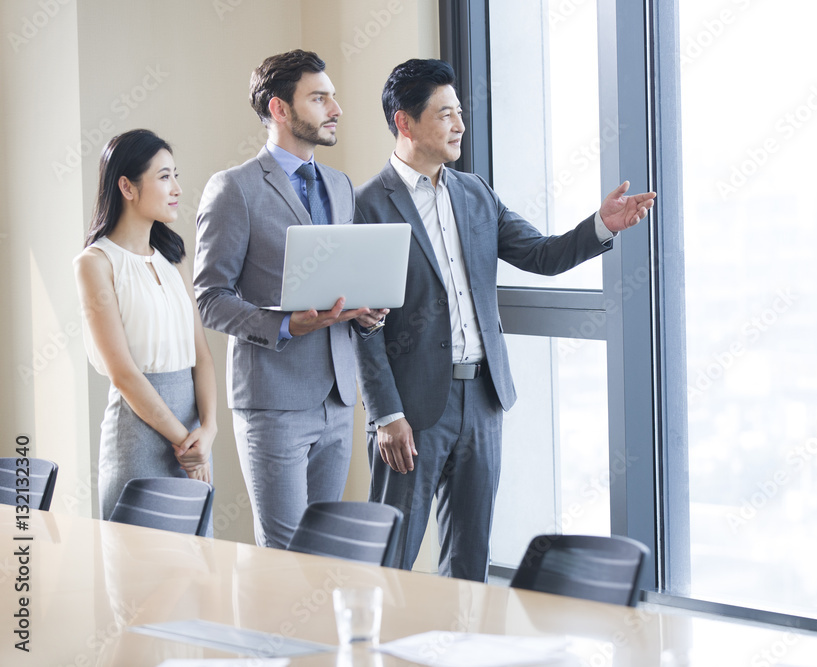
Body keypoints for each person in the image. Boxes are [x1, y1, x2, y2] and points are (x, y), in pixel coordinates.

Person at [353, 58, 656, 581]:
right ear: (405, 122)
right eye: (445, 113)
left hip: (483, 401)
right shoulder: (366, 206)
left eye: (460, 113)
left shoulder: (475, 193)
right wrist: (386, 415)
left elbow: (541, 254)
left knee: (470, 559)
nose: (460, 125)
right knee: (392, 564)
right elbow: (360, 326)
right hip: (411, 410)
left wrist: (600, 227)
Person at [194, 50, 386, 549]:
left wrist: (366, 313)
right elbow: (210, 298)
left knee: (326, 555)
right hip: (274, 401)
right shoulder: (232, 189)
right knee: (283, 555)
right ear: (280, 109)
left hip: (339, 398)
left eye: (333, 97)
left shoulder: (341, 185)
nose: (336, 109)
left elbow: (342, 281)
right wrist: (285, 325)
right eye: (319, 98)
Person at [74, 129, 217, 524]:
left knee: (195, 572)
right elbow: (124, 375)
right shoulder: (95, 263)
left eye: (176, 175)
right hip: (139, 439)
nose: (177, 188)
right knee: (138, 576)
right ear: (127, 186)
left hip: (193, 441)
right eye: (164, 176)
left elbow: (201, 357)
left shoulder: (174, 259)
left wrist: (208, 431)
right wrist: (185, 443)